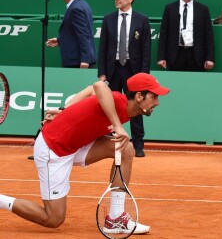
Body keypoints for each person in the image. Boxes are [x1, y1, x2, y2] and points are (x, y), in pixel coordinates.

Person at [0, 73, 170, 233]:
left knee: (125, 149)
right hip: (53, 149)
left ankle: (116, 218)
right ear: (139, 97)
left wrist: (65, 109)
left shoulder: (129, 110)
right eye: (154, 97)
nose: (157, 103)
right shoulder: (118, 100)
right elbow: (98, 85)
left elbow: (89, 90)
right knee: (53, 218)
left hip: (75, 145)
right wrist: (117, 126)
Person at [98, 0, 151, 158]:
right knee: (109, 107)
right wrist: (102, 73)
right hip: (113, 70)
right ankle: (108, 142)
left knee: (136, 107)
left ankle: (138, 144)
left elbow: (146, 49)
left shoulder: (141, 19)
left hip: (133, 71)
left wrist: (143, 75)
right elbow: (103, 47)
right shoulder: (108, 19)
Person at [157, 0, 215, 72]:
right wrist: (161, 57)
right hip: (176, 55)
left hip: (196, 55)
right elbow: (164, 34)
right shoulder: (170, 8)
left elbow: (208, 35)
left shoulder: (202, 9)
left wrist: (210, 58)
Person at [46, 0, 96, 68]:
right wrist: (59, 40)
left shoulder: (75, 8)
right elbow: (74, 32)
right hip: (77, 60)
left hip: (77, 61)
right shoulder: (82, 4)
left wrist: (85, 59)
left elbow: (83, 35)